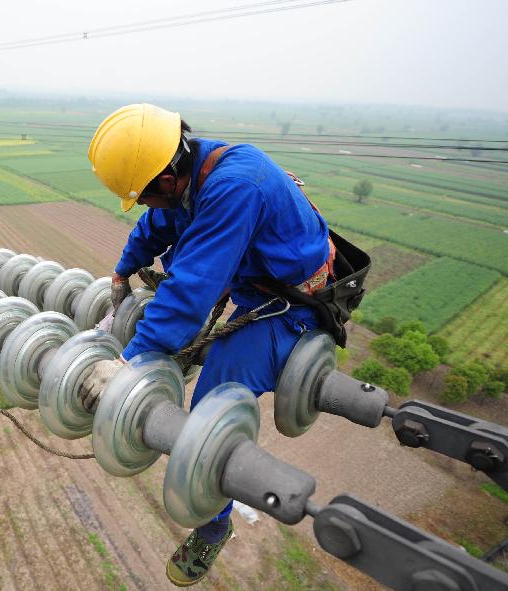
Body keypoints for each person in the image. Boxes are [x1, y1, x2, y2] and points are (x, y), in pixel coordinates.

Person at [81, 103, 334, 587]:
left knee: (207, 416)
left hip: (292, 305)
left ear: (168, 179)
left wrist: (127, 363)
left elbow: (191, 290)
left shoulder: (231, 187)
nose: (151, 206)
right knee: (177, 269)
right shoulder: (190, 170)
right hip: (254, 276)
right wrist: (122, 268)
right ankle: (174, 351)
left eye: (150, 196)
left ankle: (214, 526)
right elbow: (158, 224)